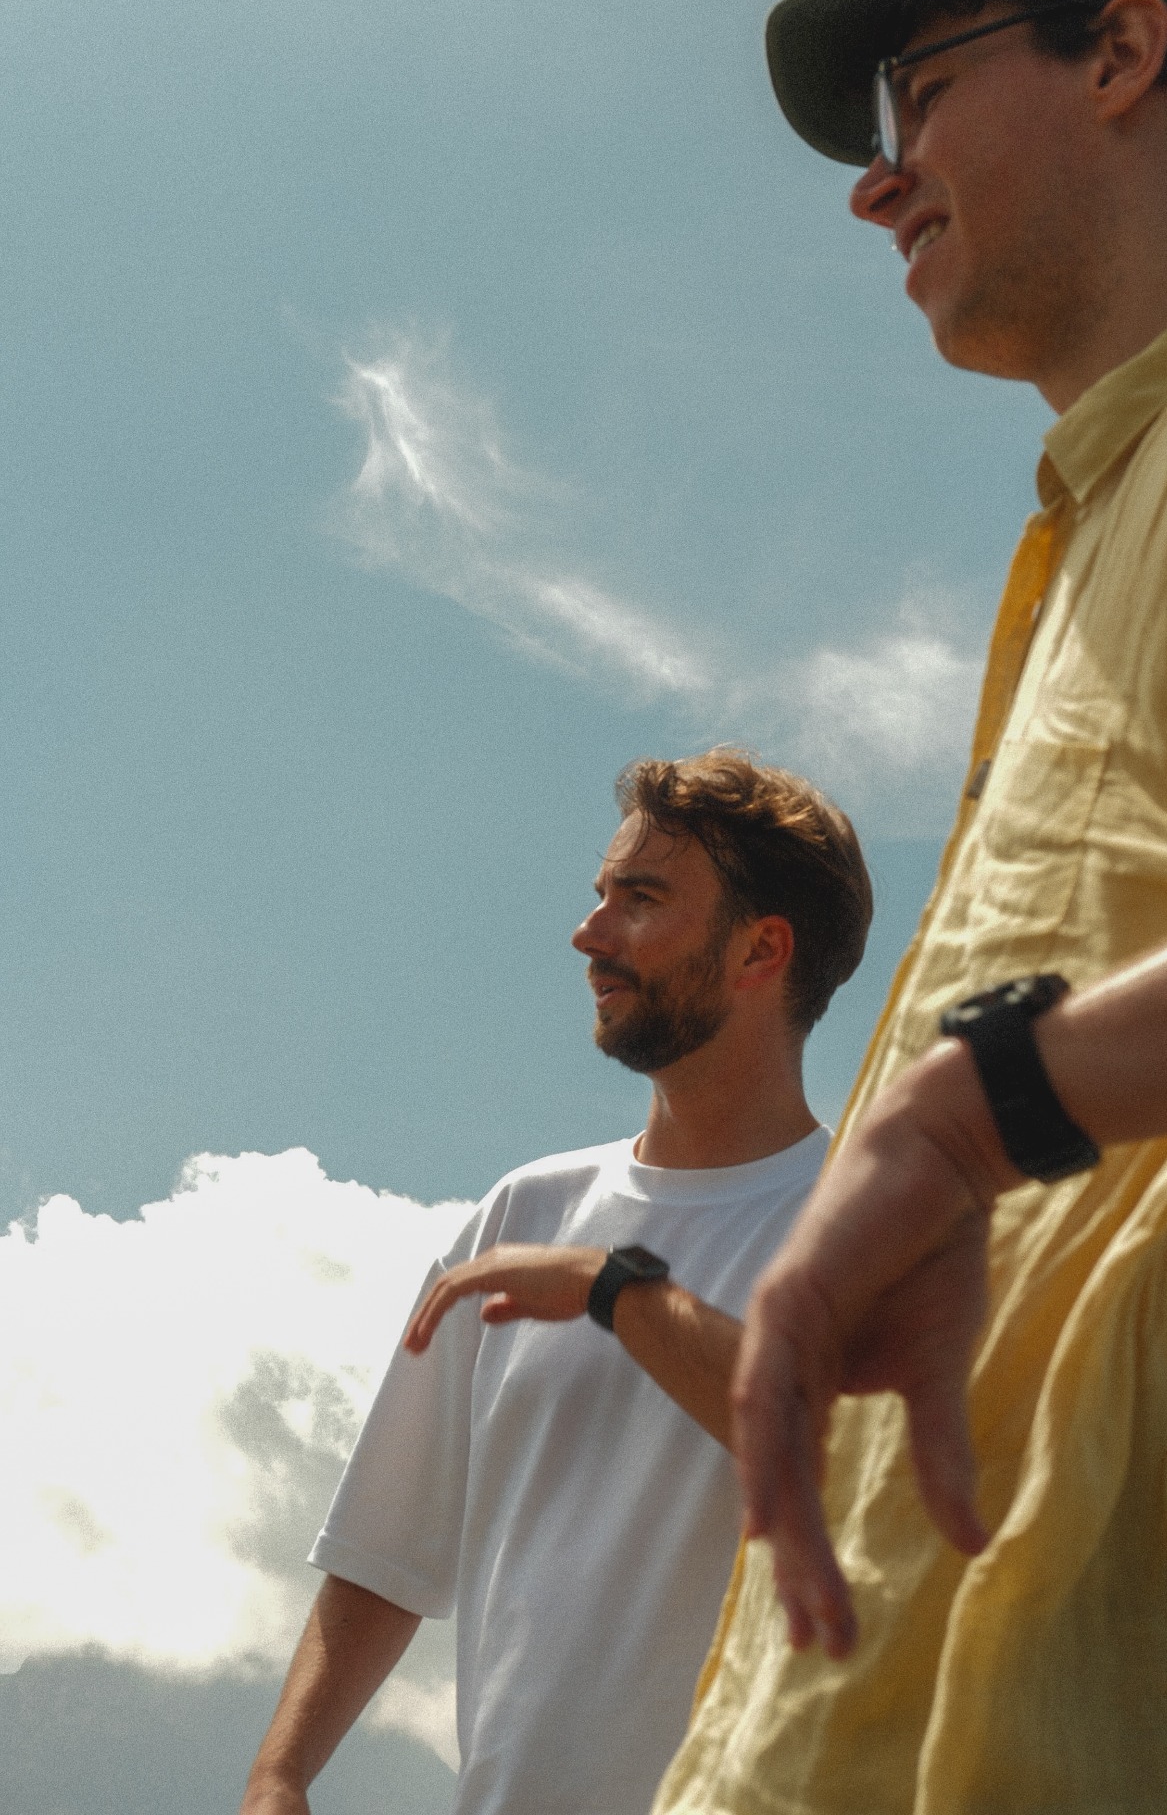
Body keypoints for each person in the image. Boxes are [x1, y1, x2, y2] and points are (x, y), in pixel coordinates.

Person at [651, 0, 1167, 1815]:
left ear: (1119, 54)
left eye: (918, 95)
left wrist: (973, 1111)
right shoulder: (1114, 511)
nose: (876, 185)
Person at [238, 749, 873, 1815]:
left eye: (641, 899)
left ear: (761, 949)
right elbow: (386, 1549)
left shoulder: (870, 1226)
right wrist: (280, 1772)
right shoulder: (521, 1212)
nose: (589, 933)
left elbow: (860, 1458)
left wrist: (615, 1292)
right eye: (600, 893)